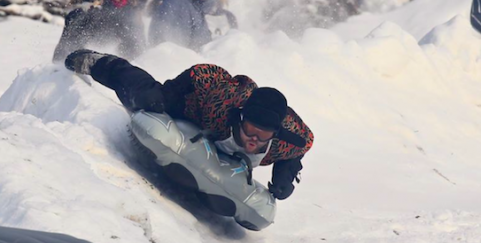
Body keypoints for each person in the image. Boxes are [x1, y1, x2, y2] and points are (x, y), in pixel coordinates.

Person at [64, 49, 313, 200]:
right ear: (240, 119)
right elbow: (203, 94)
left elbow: (300, 149)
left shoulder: (289, 139)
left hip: (225, 101)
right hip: (196, 91)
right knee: (150, 99)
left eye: (262, 137)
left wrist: (284, 177)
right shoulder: (220, 108)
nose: (253, 141)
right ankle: (101, 63)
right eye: (249, 131)